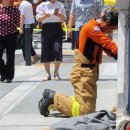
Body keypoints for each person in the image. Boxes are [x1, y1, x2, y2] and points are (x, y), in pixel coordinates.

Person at [38, 12, 118, 117]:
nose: (111, 31)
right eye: (112, 28)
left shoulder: (97, 28)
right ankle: (54, 98)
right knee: (85, 112)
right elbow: (109, 45)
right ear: (107, 22)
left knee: (87, 107)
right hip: (84, 73)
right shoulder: (92, 28)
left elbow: (106, 48)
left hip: (87, 73)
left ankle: (65, 100)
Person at [36, 0, 67, 81]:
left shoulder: (60, 4)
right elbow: (38, 19)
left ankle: (56, 72)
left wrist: (60, 15)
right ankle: (47, 73)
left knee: (57, 49)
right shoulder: (42, 5)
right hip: (46, 28)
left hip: (57, 28)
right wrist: (45, 16)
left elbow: (65, 18)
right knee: (45, 50)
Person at [0, 0, 20, 83]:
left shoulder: (14, 9)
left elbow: (18, 21)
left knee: (10, 56)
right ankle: (3, 72)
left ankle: (9, 76)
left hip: (11, 34)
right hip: (0, 35)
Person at [18, 0, 40, 64]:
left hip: (26, 25)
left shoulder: (23, 4)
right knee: (27, 43)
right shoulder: (28, 4)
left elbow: (22, 17)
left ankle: (27, 60)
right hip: (30, 25)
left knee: (24, 44)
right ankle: (34, 56)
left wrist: (21, 28)